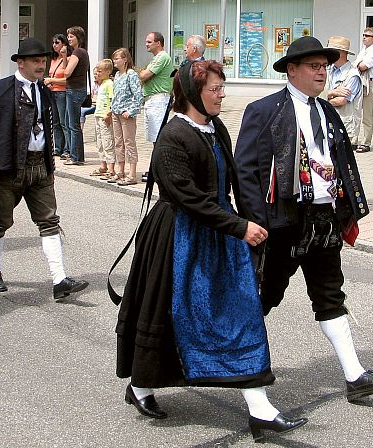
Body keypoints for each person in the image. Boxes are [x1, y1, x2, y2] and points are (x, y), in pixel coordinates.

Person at [116, 60, 307, 443]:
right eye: (215, 89)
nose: (222, 95)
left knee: (239, 313)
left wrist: (254, 219)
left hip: (218, 233)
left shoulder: (215, 127)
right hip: (178, 237)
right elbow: (186, 197)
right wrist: (239, 227)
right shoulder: (173, 136)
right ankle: (140, 386)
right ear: (191, 94)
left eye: (221, 87)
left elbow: (231, 180)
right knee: (168, 311)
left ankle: (260, 409)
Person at [235, 36, 373, 405]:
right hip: (281, 221)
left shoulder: (326, 111)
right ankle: (234, 361)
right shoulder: (263, 110)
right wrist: (255, 221)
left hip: (322, 219)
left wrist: (349, 209)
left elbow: (341, 163)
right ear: (291, 70)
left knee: (329, 294)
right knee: (263, 296)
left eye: (324, 66)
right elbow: (244, 171)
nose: (321, 72)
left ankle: (355, 376)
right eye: (313, 66)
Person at [0, 37, 89, 301]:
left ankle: (59, 280)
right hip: (9, 167)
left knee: (49, 221)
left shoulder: (45, 91)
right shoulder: (0, 90)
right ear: (21, 62)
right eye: (36, 61)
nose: (41, 65)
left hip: (39, 167)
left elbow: (48, 130)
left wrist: (50, 165)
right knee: (1, 222)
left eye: (43, 60)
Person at [139, 31, 174, 181]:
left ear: (158, 43)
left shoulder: (162, 57)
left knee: (158, 137)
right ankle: (155, 169)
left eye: (149, 42)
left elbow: (144, 76)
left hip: (158, 100)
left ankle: (160, 171)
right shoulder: (156, 58)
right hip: (151, 100)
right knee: (154, 137)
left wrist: (142, 72)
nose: (146, 44)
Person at [110, 47, 143, 186]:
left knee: (129, 142)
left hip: (126, 114)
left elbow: (138, 96)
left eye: (117, 58)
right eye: (114, 59)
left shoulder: (131, 74)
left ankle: (132, 173)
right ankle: (120, 170)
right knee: (118, 142)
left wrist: (131, 111)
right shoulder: (117, 75)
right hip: (116, 112)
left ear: (125, 59)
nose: (114, 61)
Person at [326, 36, 362, 150]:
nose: (327, 54)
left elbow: (341, 101)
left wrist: (323, 99)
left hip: (345, 127)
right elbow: (315, 92)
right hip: (330, 124)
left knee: (344, 163)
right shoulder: (329, 70)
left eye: (330, 51)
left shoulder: (352, 75)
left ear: (340, 53)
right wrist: (333, 92)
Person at [61, 25, 90, 166]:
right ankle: (76, 155)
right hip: (76, 90)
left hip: (75, 90)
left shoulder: (78, 52)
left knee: (73, 125)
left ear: (79, 38)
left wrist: (67, 58)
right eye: (68, 36)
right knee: (71, 123)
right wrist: (64, 56)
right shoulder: (79, 52)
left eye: (71, 36)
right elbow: (65, 69)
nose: (69, 38)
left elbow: (66, 73)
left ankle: (76, 157)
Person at [353, 27, 373, 153]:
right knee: (356, 112)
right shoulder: (363, 50)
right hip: (360, 81)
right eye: (364, 35)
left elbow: (362, 66)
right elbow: (355, 65)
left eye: (367, 35)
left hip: (369, 82)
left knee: (367, 115)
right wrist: (358, 65)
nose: (364, 37)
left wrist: (358, 65)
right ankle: (354, 141)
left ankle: (366, 142)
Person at [44, 33, 69, 159]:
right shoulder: (53, 59)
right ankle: (58, 147)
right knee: (55, 122)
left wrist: (51, 80)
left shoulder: (67, 58)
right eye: (53, 43)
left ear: (64, 44)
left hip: (62, 92)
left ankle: (67, 148)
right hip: (52, 92)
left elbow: (67, 78)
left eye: (57, 42)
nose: (54, 45)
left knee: (64, 121)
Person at [90, 59, 115, 179]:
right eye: (97, 71)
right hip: (98, 115)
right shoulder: (102, 84)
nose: (98, 73)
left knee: (107, 142)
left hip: (105, 116)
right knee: (99, 142)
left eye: (100, 71)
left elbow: (112, 100)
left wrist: (108, 114)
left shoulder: (109, 84)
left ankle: (111, 168)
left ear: (108, 72)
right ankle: (103, 165)